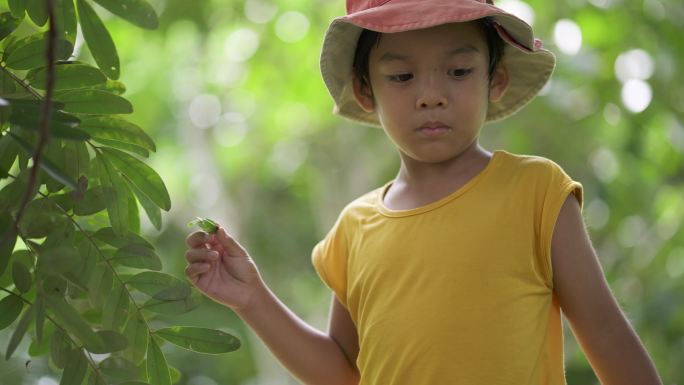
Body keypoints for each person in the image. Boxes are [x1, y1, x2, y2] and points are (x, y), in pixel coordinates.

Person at [184, 0, 664, 384]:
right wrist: (253, 300)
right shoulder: (354, 229)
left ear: (494, 80)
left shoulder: (537, 192)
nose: (430, 94)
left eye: (458, 72)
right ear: (366, 90)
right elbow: (342, 373)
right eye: (401, 76)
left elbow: (603, 331)